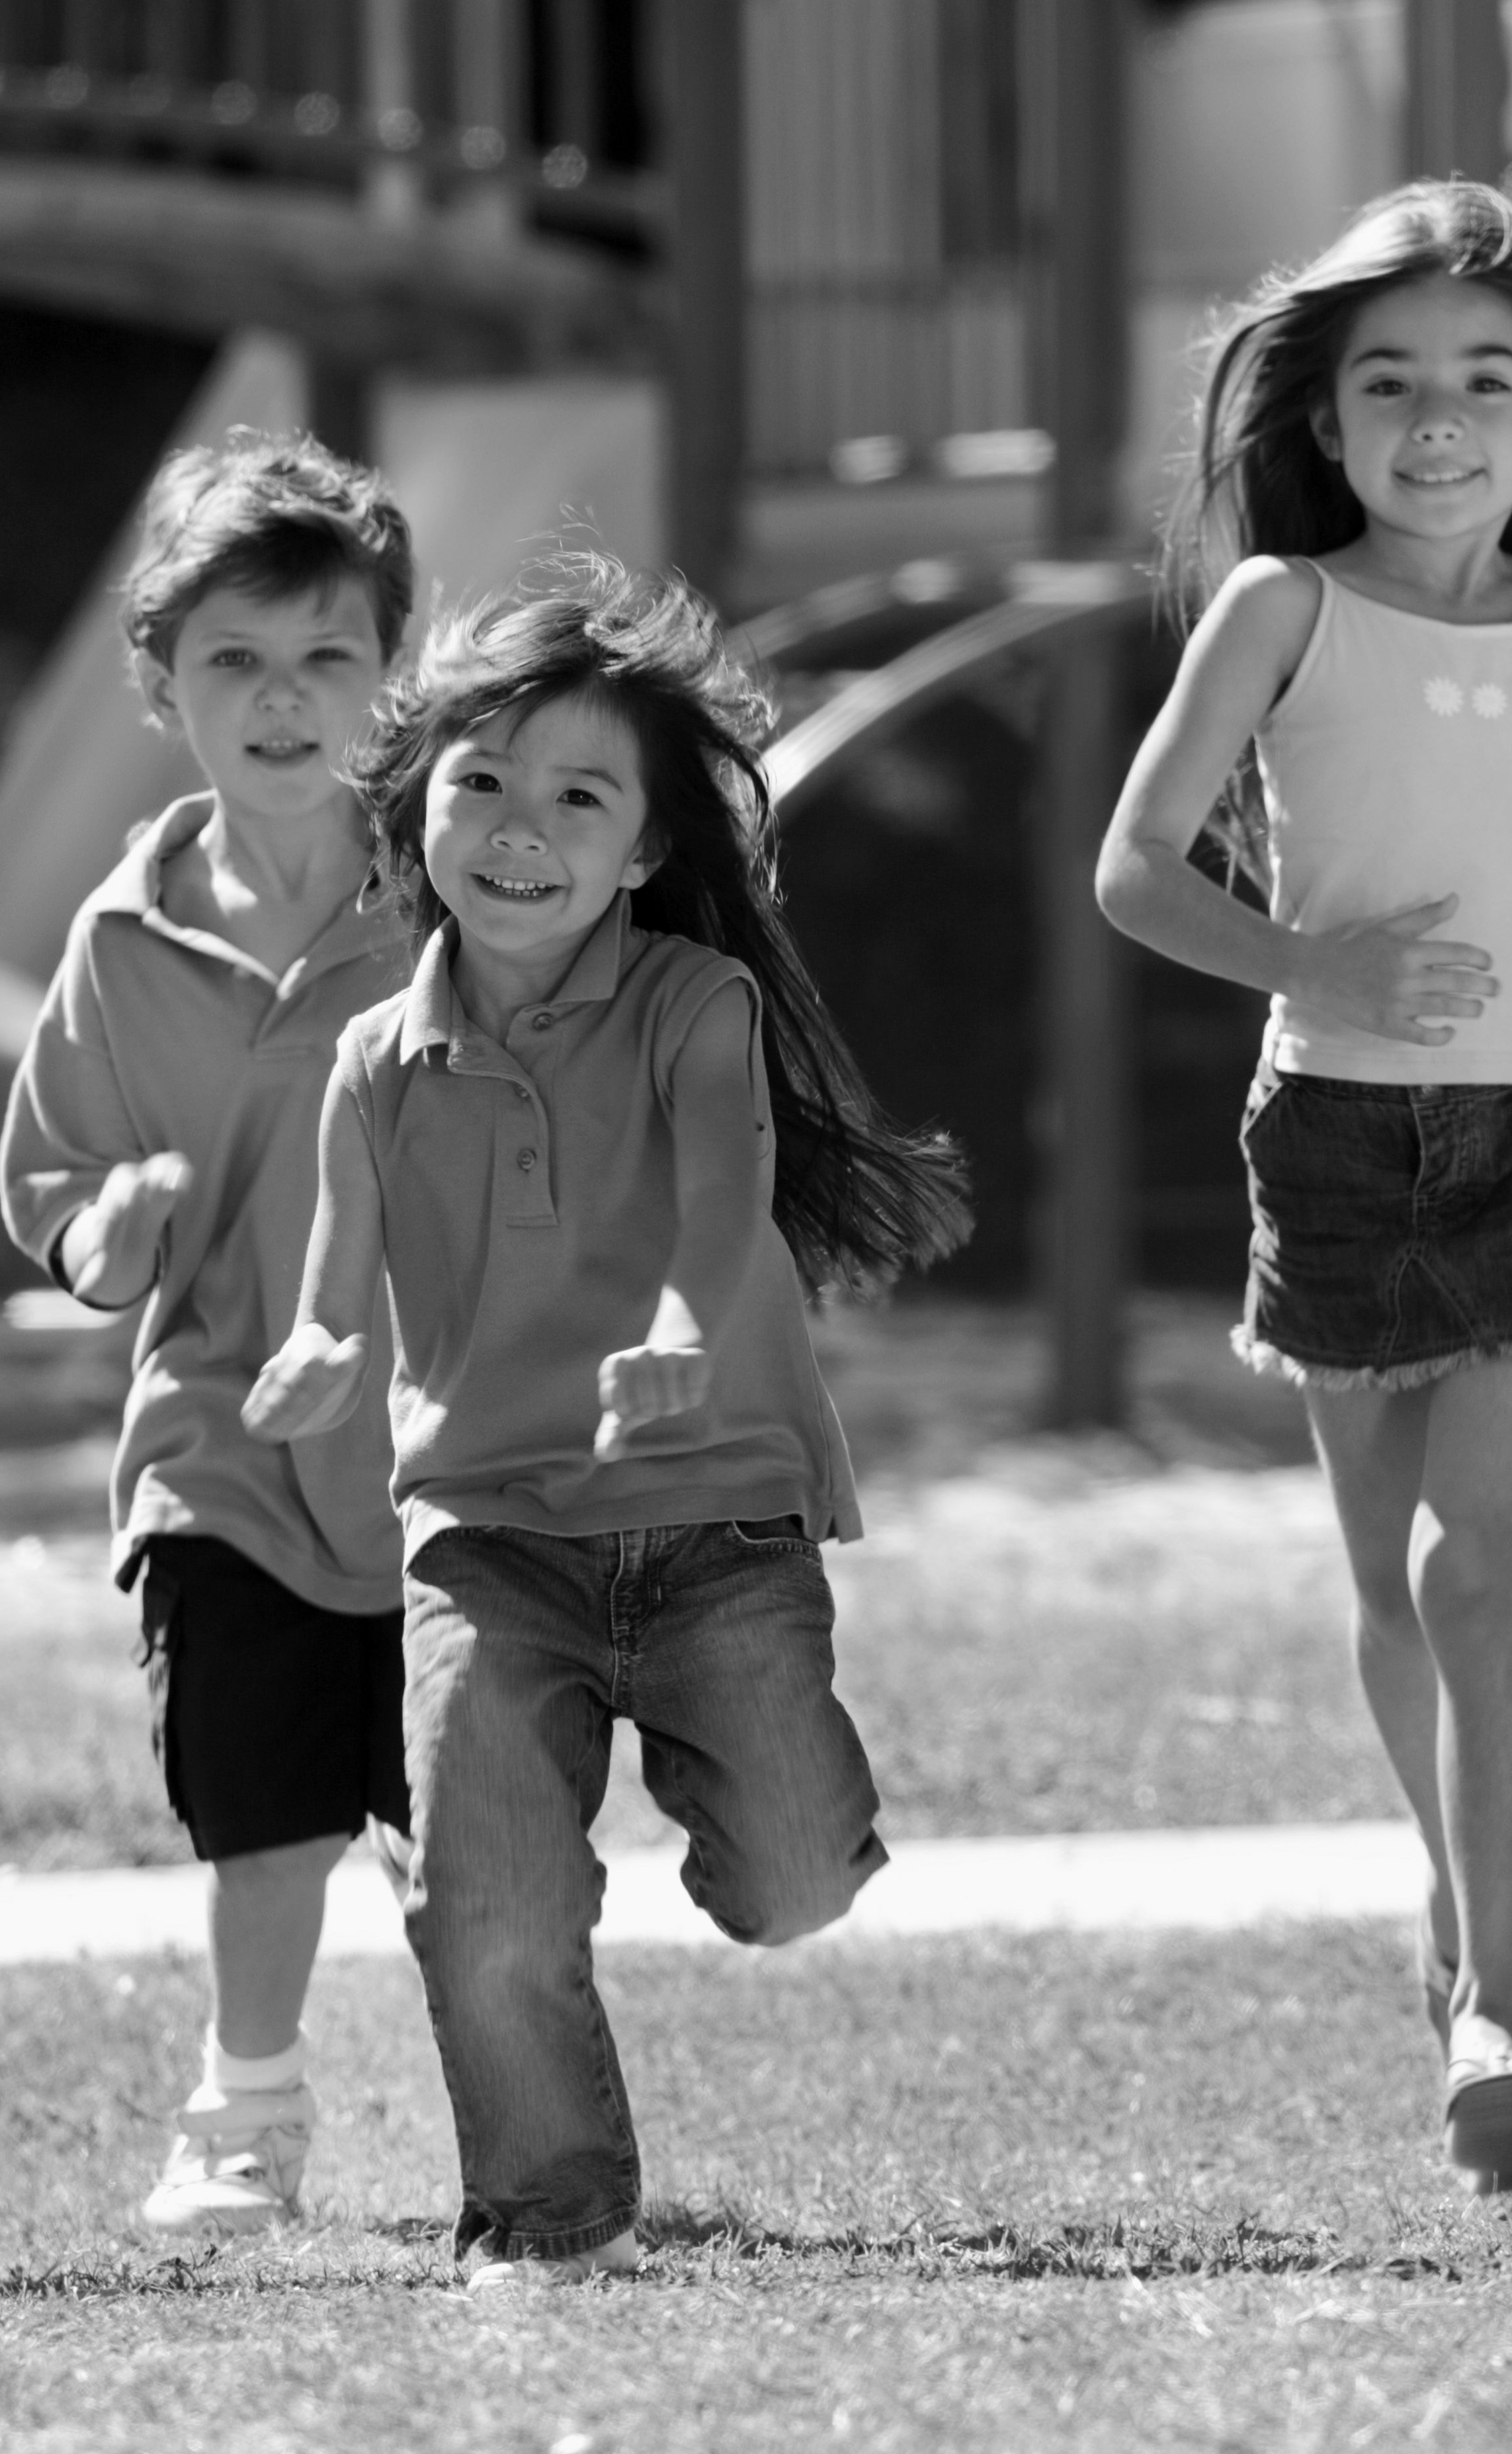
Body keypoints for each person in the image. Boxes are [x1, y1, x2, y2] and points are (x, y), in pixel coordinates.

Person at [1094, 180, 1512, 2195]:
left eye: (1484, 378)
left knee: (1475, 1564)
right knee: (1382, 1578)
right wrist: (1325, 968)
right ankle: (1453, 1899)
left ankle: (1500, 1985)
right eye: (1386, 382)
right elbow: (1133, 872)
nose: (1435, 416)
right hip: (1336, 1134)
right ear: (1329, 418)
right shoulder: (1277, 612)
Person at [243, 554, 970, 2290]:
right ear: (414, 803)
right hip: (488, 1529)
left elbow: (723, 1212)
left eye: (576, 795)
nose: (517, 824)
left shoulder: (689, 1005)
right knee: (485, 1896)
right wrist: (320, 1354)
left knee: (789, 1883)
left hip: (716, 1510)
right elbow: (337, 1282)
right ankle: (545, 2215)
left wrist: (667, 1331)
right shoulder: (372, 1061)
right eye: (480, 781)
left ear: (641, 851)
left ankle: (767, 1834)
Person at [0, 431, 421, 2239]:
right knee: (258, 1808)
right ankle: (242, 2116)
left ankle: (525, 2098)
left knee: (477, 1821)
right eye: (236, 661)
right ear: (158, 686)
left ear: (393, 679)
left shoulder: (463, 893)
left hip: (447, 1434)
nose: (284, 700)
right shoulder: (118, 937)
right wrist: (110, 1232)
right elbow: (57, 1200)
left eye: (328, 657)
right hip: (221, 1446)